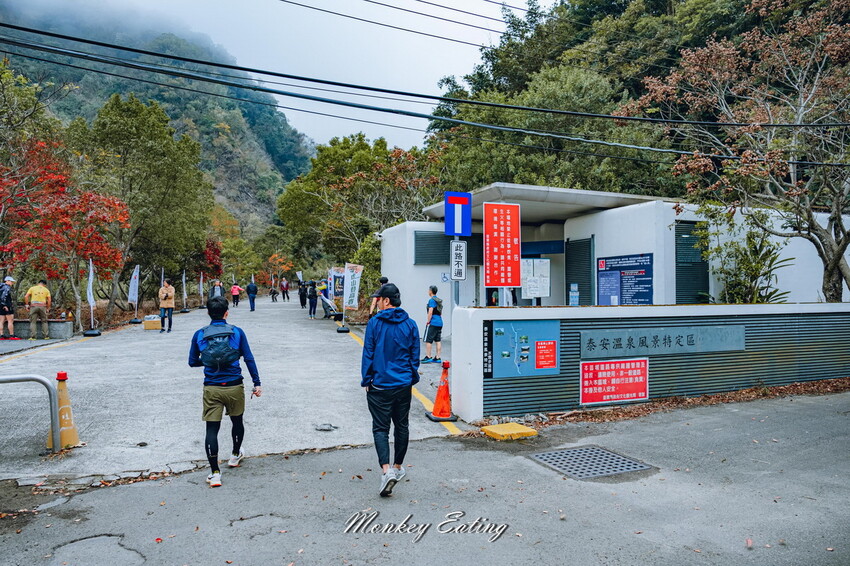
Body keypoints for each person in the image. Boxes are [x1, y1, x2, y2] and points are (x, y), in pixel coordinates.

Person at [188, 296, 262, 488]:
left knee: (212, 429)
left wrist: (210, 361)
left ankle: (214, 473)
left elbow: (192, 361)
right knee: (237, 421)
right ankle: (235, 456)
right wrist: (257, 382)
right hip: (234, 386)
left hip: (211, 387)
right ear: (226, 313)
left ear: (208, 313)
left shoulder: (199, 334)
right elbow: (249, 358)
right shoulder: (237, 332)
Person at [361, 283, 420, 497]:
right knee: (401, 425)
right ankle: (397, 467)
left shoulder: (375, 323)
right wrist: (411, 376)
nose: (376, 302)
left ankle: (386, 471)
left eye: (378, 299)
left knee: (380, 428)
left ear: (387, 301)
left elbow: (368, 352)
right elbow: (415, 356)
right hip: (403, 384)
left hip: (380, 384)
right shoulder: (411, 324)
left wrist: (366, 379)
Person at [422, 285, 444, 363]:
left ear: (431, 291)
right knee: (438, 340)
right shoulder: (438, 300)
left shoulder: (431, 300)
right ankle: (438, 357)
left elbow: (430, 312)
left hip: (433, 322)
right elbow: (440, 312)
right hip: (440, 322)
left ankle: (428, 356)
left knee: (429, 340)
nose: (428, 291)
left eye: (429, 290)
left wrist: (428, 321)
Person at [0, 276, 19, 340]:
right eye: (11, 281)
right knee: (10, 320)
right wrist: (5, 305)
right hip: (7, 305)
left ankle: (1, 335)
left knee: (1, 321)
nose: (12, 283)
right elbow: (4, 297)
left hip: (0, 306)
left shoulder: (1, 287)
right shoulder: (7, 288)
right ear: (7, 281)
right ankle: (12, 335)